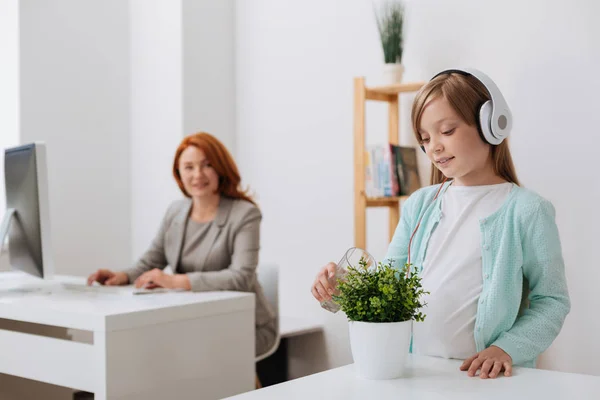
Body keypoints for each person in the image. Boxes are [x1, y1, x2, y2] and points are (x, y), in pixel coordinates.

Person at [311, 69, 570, 379]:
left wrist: (507, 348)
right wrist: (341, 288)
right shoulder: (419, 205)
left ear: (492, 125)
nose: (433, 146)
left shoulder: (527, 211)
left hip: (486, 380)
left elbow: (552, 301)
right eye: (425, 138)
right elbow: (391, 281)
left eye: (446, 131)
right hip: (420, 372)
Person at [88, 132, 277, 356]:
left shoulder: (244, 214)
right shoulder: (175, 211)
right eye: (189, 167)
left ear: (220, 168)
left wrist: (173, 280)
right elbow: (152, 260)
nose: (197, 174)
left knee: (178, 355)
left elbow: (240, 277)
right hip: (193, 320)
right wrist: (122, 276)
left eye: (207, 165)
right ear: (179, 173)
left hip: (242, 324)